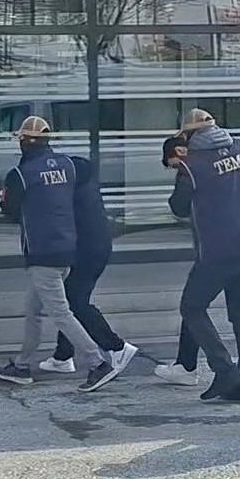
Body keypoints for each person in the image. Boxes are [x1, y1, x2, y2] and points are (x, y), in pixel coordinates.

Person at [0, 117, 126, 393]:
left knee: (61, 312)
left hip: (41, 251)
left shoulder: (20, 175)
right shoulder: (68, 166)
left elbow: (9, 209)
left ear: (24, 142)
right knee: (34, 310)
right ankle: (22, 365)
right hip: (68, 247)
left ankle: (97, 363)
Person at [152, 127, 240, 390]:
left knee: (192, 307)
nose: (176, 168)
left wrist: (184, 172)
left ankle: (225, 369)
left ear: (182, 149)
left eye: (174, 164)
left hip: (219, 251)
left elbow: (179, 207)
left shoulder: (193, 166)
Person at [41, 139, 137, 377]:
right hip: (97, 247)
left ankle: (116, 347)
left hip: (86, 251)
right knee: (71, 298)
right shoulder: (85, 185)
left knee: (75, 302)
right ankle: (63, 356)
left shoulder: (70, 192)